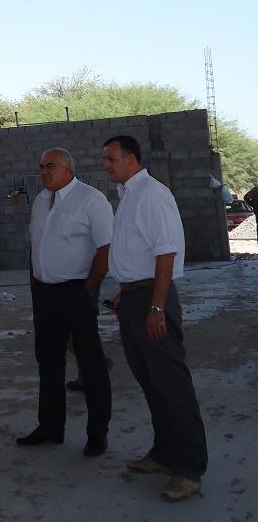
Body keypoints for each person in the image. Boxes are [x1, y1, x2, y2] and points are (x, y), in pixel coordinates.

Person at [102, 135, 208, 502]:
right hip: (135, 298)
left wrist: (157, 306)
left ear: (131, 159)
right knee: (151, 382)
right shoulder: (128, 195)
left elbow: (166, 253)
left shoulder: (151, 194)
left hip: (153, 299)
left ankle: (189, 470)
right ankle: (164, 454)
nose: (106, 165)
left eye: (111, 159)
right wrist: (126, 293)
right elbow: (138, 252)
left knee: (172, 385)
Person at [16, 147, 113, 457]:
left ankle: (97, 435)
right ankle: (50, 427)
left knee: (91, 363)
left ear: (68, 169)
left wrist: (88, 290)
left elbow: (106, 249)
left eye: (50, 166)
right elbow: (37, 246)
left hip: (77, 291)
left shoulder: (91, 200)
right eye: (41, 166)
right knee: (48, 362)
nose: (43, 171)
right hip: (44, 294)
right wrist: (35, 281)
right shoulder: (40, 201)